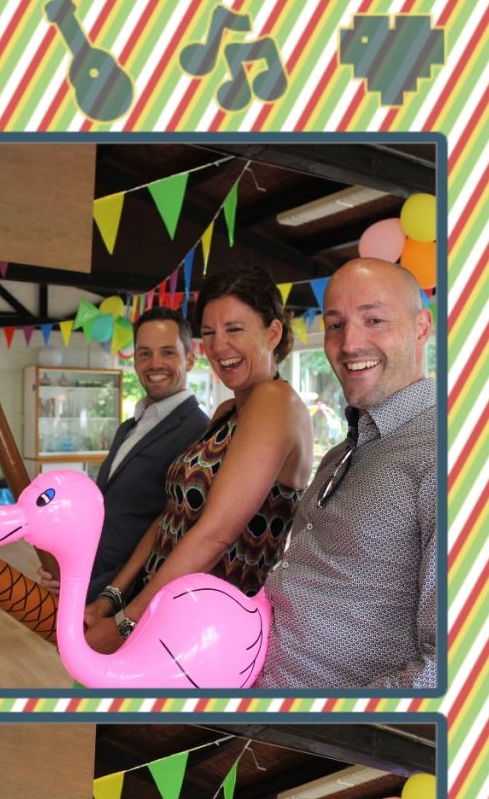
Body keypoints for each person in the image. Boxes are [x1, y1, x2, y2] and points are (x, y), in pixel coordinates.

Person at [84, 268, 313, 653]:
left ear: (272, 333)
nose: (219, 346)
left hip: (206, 632)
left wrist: (126, 623)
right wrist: (113, 596)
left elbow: (216, 535)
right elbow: (171, 516)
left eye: (234, 329)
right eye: (209, 333)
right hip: (160, 608)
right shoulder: (227, 410)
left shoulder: (275, 401)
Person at [262, 256, 436, 695]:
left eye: (374, 320)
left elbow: (452, 667)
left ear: (421, 328)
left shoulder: (446, 454)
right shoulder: (344, 452)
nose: (349, 343)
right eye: (335, 325)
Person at [84, 308, 209, 602]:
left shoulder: (200, 432)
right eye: (144, 353)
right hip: (90, 579)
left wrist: (109, 592)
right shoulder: (129, 427)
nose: (155, 364)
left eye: (168, 352)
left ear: (190, 360)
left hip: (129, 597)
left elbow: (176, 532)